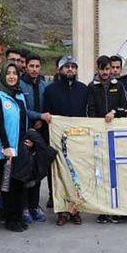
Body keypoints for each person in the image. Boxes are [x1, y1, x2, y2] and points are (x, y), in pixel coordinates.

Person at [87, 55, 127, 223]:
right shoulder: (92, 87)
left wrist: (114, 112)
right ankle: (103, 210)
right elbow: (89, 110)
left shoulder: (118, 85)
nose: (106, 72)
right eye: (102, 69)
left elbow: (125, 106)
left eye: (108, 69)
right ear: (98, 69)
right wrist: (98, 124)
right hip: (100, 136)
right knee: (101, 173)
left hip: (116, 135)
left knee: (117, 174)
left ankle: (116, 209)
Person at [43, 56, 89, 226]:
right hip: (57, 139)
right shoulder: (50, 90)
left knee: (76, 175)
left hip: (77, 140)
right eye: (66, 66)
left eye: (73, 66)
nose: (70, 69)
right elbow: (46, 113)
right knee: (58, 174)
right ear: (59, 70)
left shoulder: (84, 90)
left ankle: (75, 209)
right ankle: (61, 210)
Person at [0, 62, 29, 232]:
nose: (12, 76)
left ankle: (19, 216)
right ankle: (10, 218)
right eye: (9, 73)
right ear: (3, 76)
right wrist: (6, 146)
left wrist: (26, 140)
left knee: (20, 183)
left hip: (20, 146)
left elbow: (23, 122)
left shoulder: (20, 96)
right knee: (9, 185)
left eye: (15, 73)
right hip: (6, 149)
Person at [19, 53, 50, 224]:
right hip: (26, 131)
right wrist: (39, 116)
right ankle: (23, 207)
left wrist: (42, 119)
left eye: (37, 66)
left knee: (37, 170)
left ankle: (34, 205)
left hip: (40, 134)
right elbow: (22, 109)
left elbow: (47, 106)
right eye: (31, 66)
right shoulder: (20, 85)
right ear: (26, 66)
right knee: (26, 171)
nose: (34, 69)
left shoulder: (44, 85)